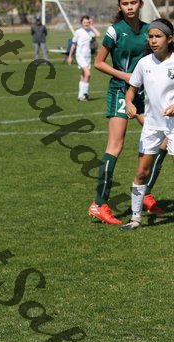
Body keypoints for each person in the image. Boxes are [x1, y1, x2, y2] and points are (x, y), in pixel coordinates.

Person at [88, 0, 166, 224]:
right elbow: (99, 63)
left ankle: (146, 194)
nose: (129, 7)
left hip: (143, 94)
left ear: (140, 4)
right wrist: (125, 76)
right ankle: (99, 204)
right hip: (120, 92)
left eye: (133, 2)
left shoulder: (149, 30)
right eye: (125, 3)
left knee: (162, 140)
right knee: (115, 146)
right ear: (120, 7)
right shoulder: (114, 31)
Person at [120, 19, 174, 230]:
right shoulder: (144, 63)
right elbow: (131, 91)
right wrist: (129, 104)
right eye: (150, 36)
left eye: (158, 36)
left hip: (173, 125)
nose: (153, 40)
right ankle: (135, 219)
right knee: (142, 172)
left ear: (170, 39)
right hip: (151, 126)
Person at [67, 16, 100, 101]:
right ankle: (85, 94)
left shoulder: (90, 32)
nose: (86, 24)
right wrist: (70, 56)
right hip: (80, 55)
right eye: (84, 22)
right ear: (81, 23)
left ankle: (81, 96)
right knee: (88, 74)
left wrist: (91, 25)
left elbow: (98, 35)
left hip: (87, 56)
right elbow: (73, 45)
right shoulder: (78, 32)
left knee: (83, 76)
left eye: (87, 22)